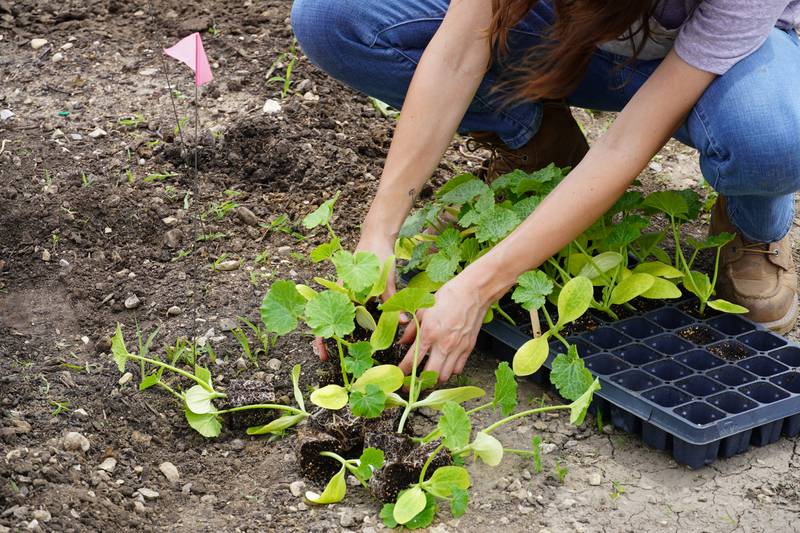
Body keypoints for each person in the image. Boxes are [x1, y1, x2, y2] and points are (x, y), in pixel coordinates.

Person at [291, 0, 800, 382]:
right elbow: (459, 49)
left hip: (723, 66)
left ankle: (753, 224)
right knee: (334, 17)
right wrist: (377, 236)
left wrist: (476, 288)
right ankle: (539, 146)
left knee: (774, 139)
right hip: (576, 33)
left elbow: (628, 142)